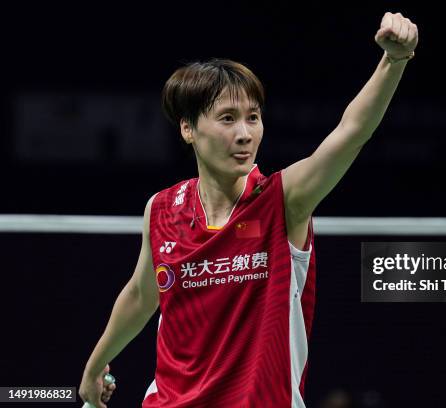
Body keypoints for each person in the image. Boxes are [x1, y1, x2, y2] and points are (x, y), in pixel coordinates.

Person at [79, 11, 418, 408]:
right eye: (227, 119)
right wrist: (96, 364)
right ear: (188, 128)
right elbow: (141, 295)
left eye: (253, 118)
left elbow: (351, 132)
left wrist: (393, 61)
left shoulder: (283, 200)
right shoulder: (162, 209)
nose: (245, 133)